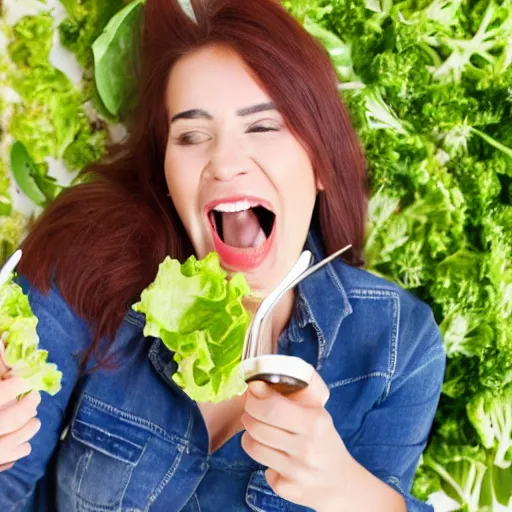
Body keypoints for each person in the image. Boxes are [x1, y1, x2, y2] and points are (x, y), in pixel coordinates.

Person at [0, 0, 446, 510]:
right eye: (191, 135)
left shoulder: (397, 346)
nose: (225, 163)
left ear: (321, 162)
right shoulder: (86, 268)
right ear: (167, 176)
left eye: (263, 126)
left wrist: (347, 490)